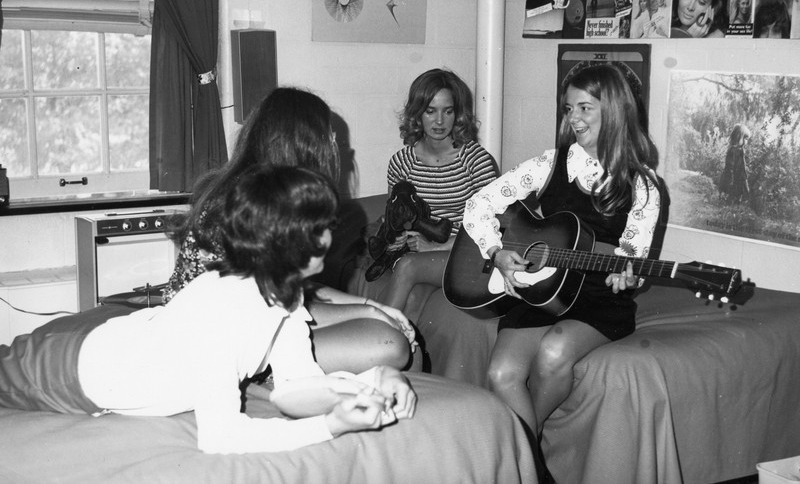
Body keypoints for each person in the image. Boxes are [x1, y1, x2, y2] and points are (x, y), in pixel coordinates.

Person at [0, 166, 417, 454]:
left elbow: (294, 391)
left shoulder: (282, 293)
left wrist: (372, 381)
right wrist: (332, 426)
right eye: (323, 226)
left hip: (121, 337)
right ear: (292, 239)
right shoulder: (226, 309)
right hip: (73, 371)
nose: (333, 233)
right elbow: (220, 438)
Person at [462, 64, 662, 440]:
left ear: (615, 110)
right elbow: (477, 205)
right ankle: (532, 464)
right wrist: (496, 252)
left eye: (585, 107)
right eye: (569, 109)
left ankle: (522, 459)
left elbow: (633, 254)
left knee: (554, 353)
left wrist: (628, 276)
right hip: (543, 291)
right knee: (500, 374)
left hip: (598, 299)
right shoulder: (549, 164)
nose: (574, 118)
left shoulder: (643, 184)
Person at [162, 87, 416, 374]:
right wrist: (370, 311)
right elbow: (278, 303)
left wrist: (372, 304)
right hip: (216, 343)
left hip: (252, 326)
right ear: (304, 143)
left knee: (394, 338)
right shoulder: (247, 206)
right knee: (389, 343)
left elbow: (294, 288)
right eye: (328, 135)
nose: (335, 144)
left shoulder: (267, 196)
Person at [373, 69, 497, 314]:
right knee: (412, 298)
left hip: (467, 251)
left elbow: (492, 226)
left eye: (448, 111)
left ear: (458, 114)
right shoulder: (402, 162)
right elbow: (394, 219)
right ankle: (402, 349)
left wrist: (435, 247)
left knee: (408, 267)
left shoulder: (475, 160)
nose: (439, 121)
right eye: (430, 111)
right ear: (417, 113)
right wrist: (395, 238)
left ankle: (374, 341)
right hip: (421, 253)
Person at [719, 123, 750, 203]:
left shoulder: (741, 150)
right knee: (731, 197)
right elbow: (729, 167)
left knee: (740, 198)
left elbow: (742, 165)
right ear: (739, 137)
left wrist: (745, 178)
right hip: (733, 179)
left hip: (740, 178)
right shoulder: (733, 151)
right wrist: (730, 181)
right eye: (745, 139)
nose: (746, 141)